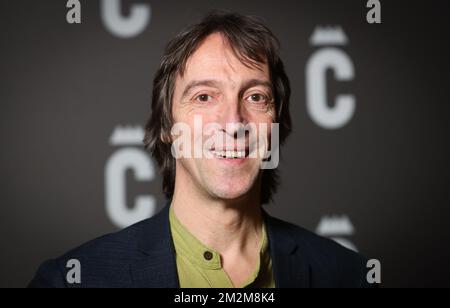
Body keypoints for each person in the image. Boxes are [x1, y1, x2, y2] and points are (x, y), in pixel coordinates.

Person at [29, 11, 372, 288]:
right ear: (166, 128)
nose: (233, 121)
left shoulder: (348, 276)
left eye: (255, 97)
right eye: (203, 97)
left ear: (275, 125)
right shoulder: (75, 280)